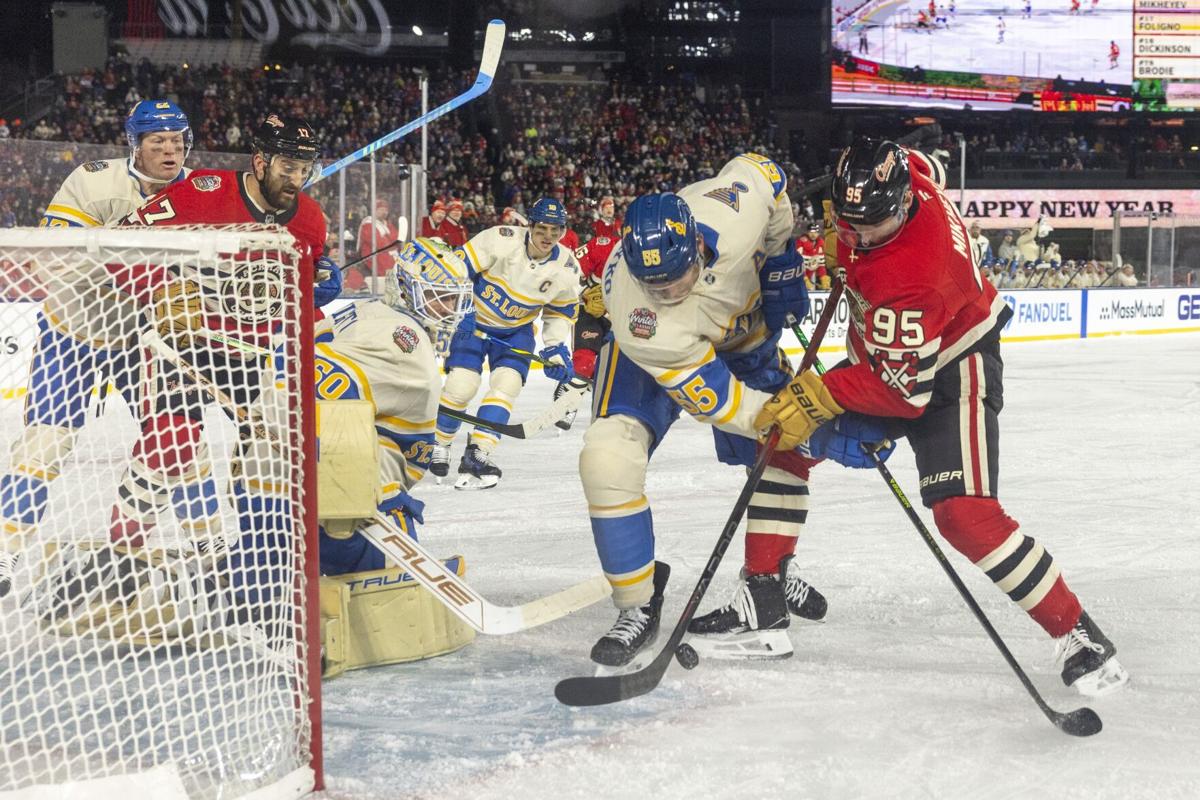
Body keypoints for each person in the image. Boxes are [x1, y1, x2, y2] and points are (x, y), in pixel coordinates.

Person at [756, 137, 1128, 697]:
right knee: (782, 441)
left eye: (870, 226)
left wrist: (819, 395)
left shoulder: (912, 271)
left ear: (905, 205)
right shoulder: (912, 179)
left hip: (954, 368)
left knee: (964, 516)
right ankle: (764, 592)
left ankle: (1079, 633)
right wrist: (846, 241)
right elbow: (923, 159)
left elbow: (901, 391)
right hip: (889, 352)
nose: (856, 234)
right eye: (847, 219)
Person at [28, 114, 337, 625]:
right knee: (170, 445)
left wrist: (319, 289)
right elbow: (119, 244)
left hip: (257, 357)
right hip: (188, 350)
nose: (296, 177)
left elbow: (297, 291)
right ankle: (119, 559)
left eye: (304, 167)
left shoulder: (310, 221)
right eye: (287, 165)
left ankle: (263, 571)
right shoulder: (202, 193)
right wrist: (163, 290)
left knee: (276, 460)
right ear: (260, 161)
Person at [578, 153, 846, 668]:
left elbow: (766, 172)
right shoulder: (643, 315)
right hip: (655, 356)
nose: (669, 292)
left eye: (677, 278)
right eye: (656, 286)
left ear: (696, 242)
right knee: (608, 458)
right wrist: (792, 419)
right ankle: (636, 603)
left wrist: (782, 252)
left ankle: (769, 575)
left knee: (784, 459)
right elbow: (725, 402)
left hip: (744, 336)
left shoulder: (732, 209)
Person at [0, 100, 193, 596]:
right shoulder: (91, 181)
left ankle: (208, 542)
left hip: (141, 340)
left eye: (176, 140)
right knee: (44, 445)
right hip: (74, 335)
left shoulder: (197, 190)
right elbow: (53, 259)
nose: (169, 150)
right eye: (157, 142)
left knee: (179, 442)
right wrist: (125, 259)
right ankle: (4, 550)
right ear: (135, 144)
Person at [431, 198, 580, 489]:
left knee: (507, 385)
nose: (548, 237)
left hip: (516, 332)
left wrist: (554, 346)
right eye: (543, 229)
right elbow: (459, 267)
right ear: (530, 226)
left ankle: (478, 453)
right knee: (461, 386)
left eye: (556, 230)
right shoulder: (500, 239)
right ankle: (439, 443)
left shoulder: (567, 267)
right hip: (473, 322)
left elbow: (560, 311)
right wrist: (455, 303)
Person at [356, 197, 399, 278]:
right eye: (381, 209)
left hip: (388, 256)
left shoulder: (387, 224)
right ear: (375, 210)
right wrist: (390, 241)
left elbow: (397, 240)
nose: (384, 212)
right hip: (373, 258)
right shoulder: (368, 224)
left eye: (386, 210)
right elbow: (380, 244)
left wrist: (387, 240)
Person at [796, 222, 830, 289]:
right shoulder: (801, 244)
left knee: (812, 289)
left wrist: (824, 279)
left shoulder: (820, 244)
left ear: (819, 233)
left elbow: (820, 265)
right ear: (807, 232)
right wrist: (804, 279)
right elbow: (797, 265)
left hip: (811, 274)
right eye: (811, 232)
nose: (813, 234)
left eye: (815, 232)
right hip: (798, 277)